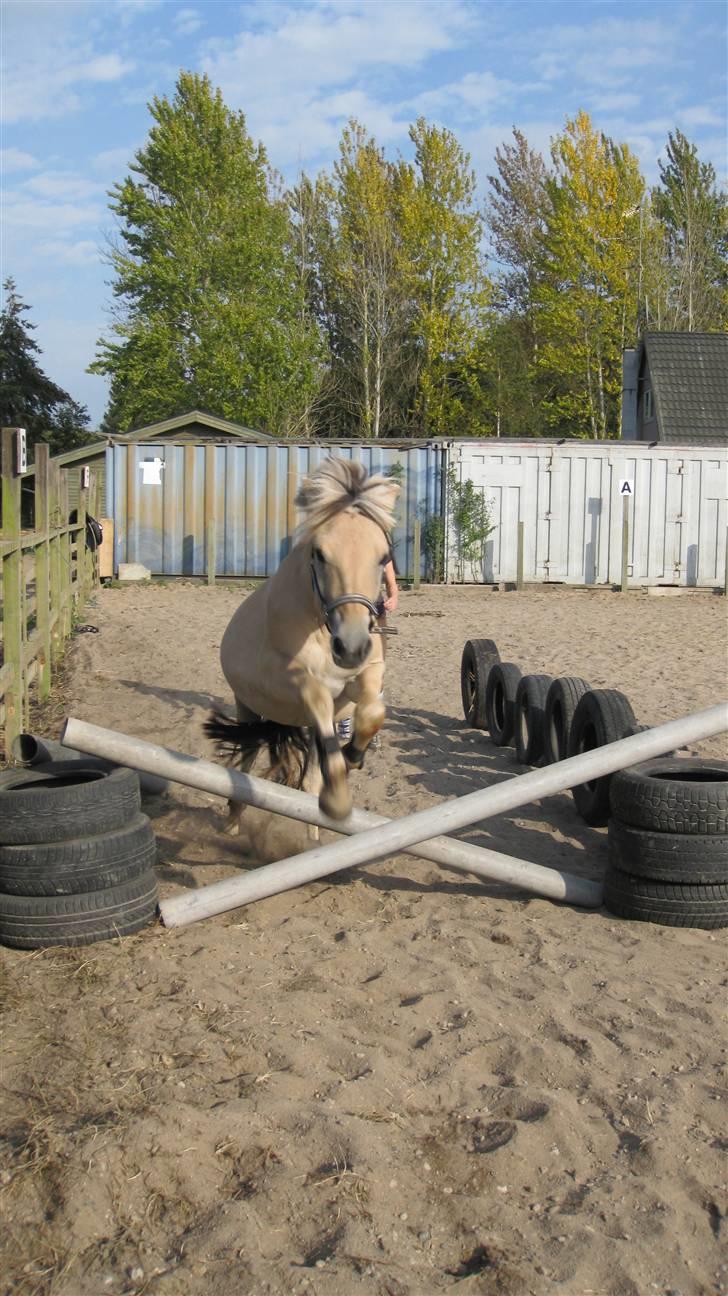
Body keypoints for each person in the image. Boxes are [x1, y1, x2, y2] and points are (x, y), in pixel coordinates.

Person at [337, 547, 399, 743]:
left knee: (375, 672)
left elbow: (391, 583)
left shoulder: (381, 551)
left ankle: (372, 729)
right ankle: (344, 720)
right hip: (346, 614)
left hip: (375, 612)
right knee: (343, 667)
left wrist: (394, 598)